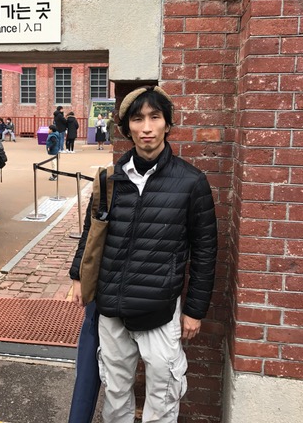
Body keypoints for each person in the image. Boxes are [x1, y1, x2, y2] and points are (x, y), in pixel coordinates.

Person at [70, 86, 217, 423]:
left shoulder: (191, 182)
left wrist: (194, 310)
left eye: (155, 117)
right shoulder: (109, 179)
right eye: (138, 119)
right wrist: (78, 274)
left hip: (160, 311)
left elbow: (205, 250)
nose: (147, 127)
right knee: (115, 392)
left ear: (168, 124)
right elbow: (92, 232)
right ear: (127, 128)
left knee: (163, 396)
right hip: (111, 307)